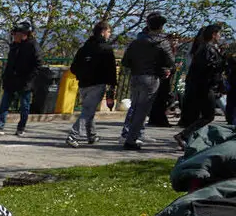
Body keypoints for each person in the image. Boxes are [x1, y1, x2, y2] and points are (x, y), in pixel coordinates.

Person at [120, 12, 174, 150]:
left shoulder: (137, 42)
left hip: (136, 76)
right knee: (142, 111)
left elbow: (126, 61)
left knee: (135, 107)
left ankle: (128, 134)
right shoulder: (162, 42)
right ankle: (131, 139)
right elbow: (170, 61)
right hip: (151, 78)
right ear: (161, 27)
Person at [66, 21, 117, 147]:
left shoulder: (84, 48)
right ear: (103, 32)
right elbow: (111, 69)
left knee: (89, 109)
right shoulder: (106, 49)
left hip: (83, 83)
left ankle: (91, 135)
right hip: (98, 83)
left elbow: (73, 68)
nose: (109, 34)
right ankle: (73, 135)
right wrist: (112, 84)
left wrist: (82, 74)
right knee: (88, 111)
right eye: (109, 31)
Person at [175, 24, 226, 148]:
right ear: (214, 34)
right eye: (219, 33)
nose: (220, 36)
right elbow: (208, 67)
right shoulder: (207, 49)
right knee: (208, 115)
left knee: (203, 115)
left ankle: (189, 137)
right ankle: (184, 135)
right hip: (204, 86)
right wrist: (223, 63)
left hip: (202, 86)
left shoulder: (207, 48)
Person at [0, 21, 42, 137]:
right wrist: (6, 76)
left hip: (25, 81)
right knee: (4, 104)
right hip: (11, 80)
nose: (13, 36)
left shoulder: (33, 46)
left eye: (16, 33)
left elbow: (38, 64)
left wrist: (29, 79)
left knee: (24, 106)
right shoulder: (14, 45)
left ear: (24, 34)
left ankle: (21, 127)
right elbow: (10, 63)